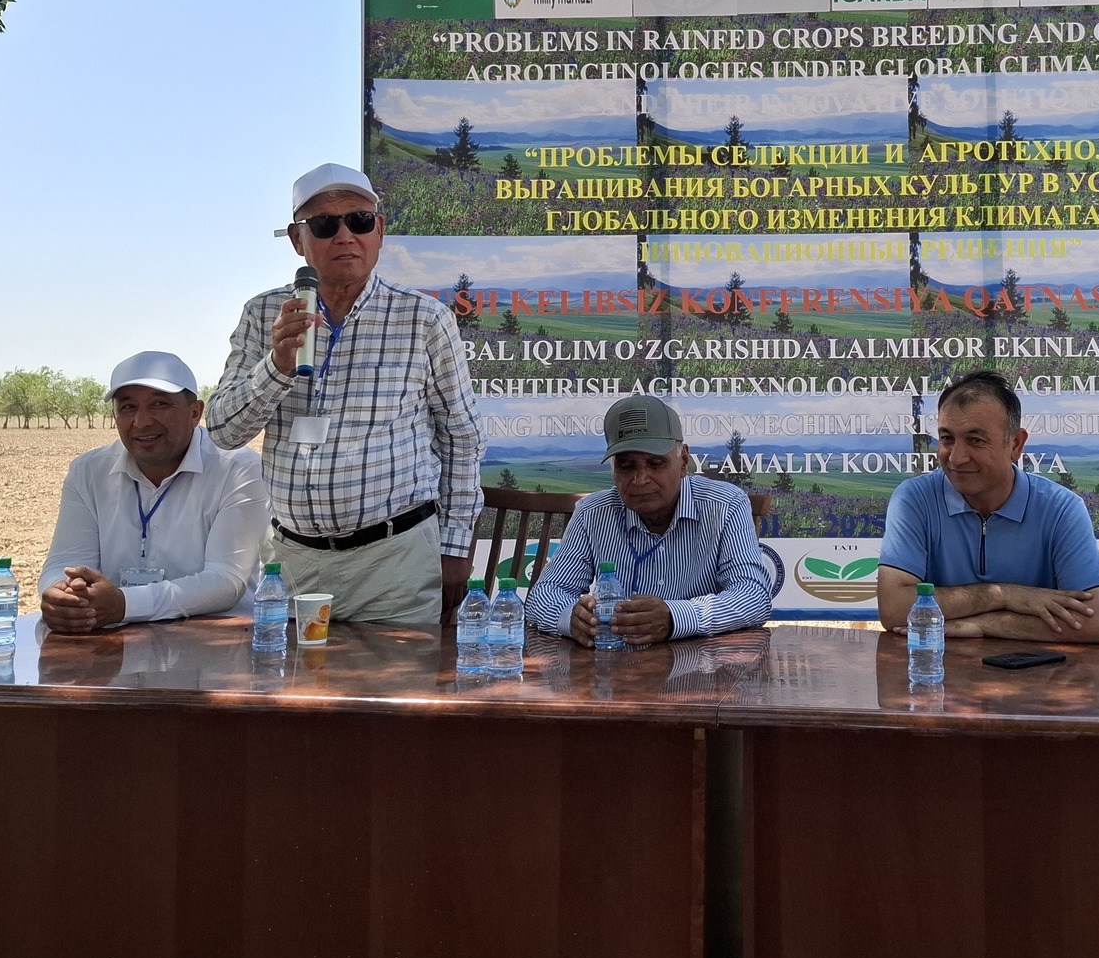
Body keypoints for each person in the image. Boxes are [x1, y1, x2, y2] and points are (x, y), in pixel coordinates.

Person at [208, 162, 484, 625]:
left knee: (396, 675)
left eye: (359, 220)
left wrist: (455, 548)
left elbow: (462, 438)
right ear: (297, 240)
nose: (344, 236)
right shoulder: (263, 314)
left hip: (394, 562)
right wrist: (277, 365)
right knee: (298, 675)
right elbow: (223, 432)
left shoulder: (423, 319)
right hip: (293, 564)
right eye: (324, 225)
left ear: (380, 231)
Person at [875, 371, 1099, 642]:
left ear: (1015, 444)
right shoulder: (915, 499)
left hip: (1037, 668)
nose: (956, 458)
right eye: (947, 439)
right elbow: (895, 609)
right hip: (938, 666)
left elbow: (1098, 622)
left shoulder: (1061, 509)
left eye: (975, 440)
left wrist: (986, 623)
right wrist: (1004, 595)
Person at [40, 352, 270, 634]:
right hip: (114, 640)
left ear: (195, 413)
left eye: (159, 404)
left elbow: (226, 581)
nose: (141, 421)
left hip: (213, 641)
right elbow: (64, 562)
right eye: (128, 407)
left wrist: (125, 604)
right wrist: (64, 594)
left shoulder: (237, 468)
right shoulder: (89, 471)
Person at [525, 394, 775, 645]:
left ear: (684, 462)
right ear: (613, 469)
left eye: (655, 464)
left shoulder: (725, 505)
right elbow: (544, 595)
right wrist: (571, 618)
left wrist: (676, 618)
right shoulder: (592, 513)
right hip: (617, 662)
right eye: (626, 466)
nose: (640, 479)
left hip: (700, 659)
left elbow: (752, 596)